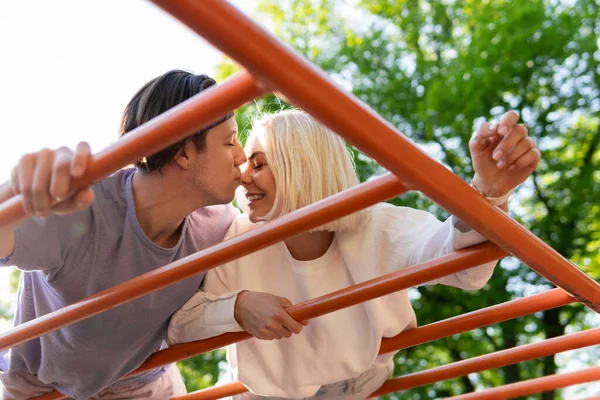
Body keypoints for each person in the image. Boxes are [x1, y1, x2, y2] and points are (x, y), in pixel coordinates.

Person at [167, 109, 541, 399]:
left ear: (304, 165)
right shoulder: (236, 239)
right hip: (266, 392)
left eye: (260, 163)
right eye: (246, 163)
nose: (244, 176)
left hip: (358, 383)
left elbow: (462, 267)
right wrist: (237, 306)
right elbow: (180, 326)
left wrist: (489, 191)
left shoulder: (375, 225)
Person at [0, 70, 257, 399]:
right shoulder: (80, 207)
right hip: (42, 387)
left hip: (142, 382)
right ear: (184, 152)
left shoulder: (220, 224)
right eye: (228, 141)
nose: (241, 156)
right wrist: (15, 192)